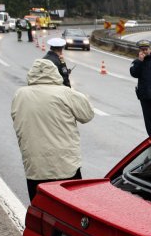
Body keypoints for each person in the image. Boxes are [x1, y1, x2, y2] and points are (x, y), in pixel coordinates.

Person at [11, 59, 94, 201]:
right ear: (55, 73)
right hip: (66, 166)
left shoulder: (20, 95)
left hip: (35, 169)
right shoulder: (66, 93)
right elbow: (87, 115)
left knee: (40, 210)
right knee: (70, 211)